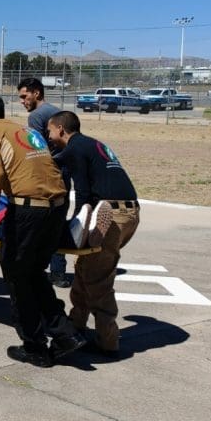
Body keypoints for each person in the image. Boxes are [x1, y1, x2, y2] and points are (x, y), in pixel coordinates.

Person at [0, 91, 87, 367]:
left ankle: (34, 346)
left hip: (27, 211)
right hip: (56, 207)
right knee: (33, 273)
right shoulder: (26, 131)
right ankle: (65, 334)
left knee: (16, 277)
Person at [47, 110, 140, 359]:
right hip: (129, 212)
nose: (49, 136)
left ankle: (108, 342)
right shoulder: (91, 143)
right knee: (85, 267)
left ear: (60, 129)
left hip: (109, 214)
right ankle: (76, 325)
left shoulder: (74, 148)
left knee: (98, 278)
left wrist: (78, 223)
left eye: (49, 131)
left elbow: (83, 193)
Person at [18, 76, 70, 288]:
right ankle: (58, 273)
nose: (22, 101)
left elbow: (37, 150)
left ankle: (35, 269)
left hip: (48, 176)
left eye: (25, 96)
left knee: (41, 224)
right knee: (58, 222)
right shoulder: (57, 112)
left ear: (36, 93)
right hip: (64, 172)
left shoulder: (36, 116)